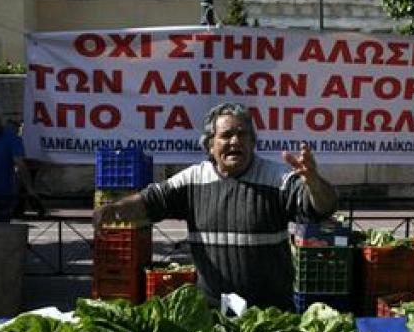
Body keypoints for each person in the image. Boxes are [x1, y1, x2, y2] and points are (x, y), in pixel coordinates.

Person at [94, 102, 338, 310]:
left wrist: (315, 183)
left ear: (253, 142)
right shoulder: (192, 180)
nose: (235, 141)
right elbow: (151, 201)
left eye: (243, 134)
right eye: (227, 135)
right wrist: (114, 209)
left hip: (271, 312)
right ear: (210, 145)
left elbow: (321, 208)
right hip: (213, 311)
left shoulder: (278, 178)